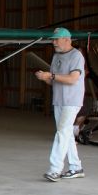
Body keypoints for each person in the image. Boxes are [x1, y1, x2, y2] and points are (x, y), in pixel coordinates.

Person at [34, 27, 85, 182]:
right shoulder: (56, 56)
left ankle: (55, 170)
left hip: (71, 101)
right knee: (67, 134)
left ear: (67, 40)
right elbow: (54, 80)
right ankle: (76, 167)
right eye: (53, 39)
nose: (54, 42)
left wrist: (51, 75)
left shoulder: (77, 56)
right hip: (58, 100)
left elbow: (72, 79)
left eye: (56, 39)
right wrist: (45, 78)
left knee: (62, 133)